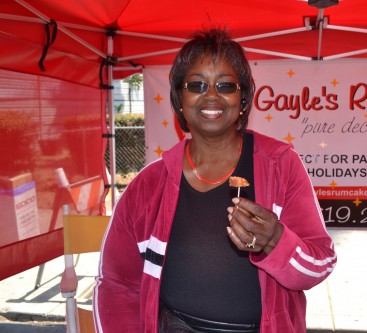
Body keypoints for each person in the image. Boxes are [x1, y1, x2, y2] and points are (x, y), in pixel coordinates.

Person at [93, 27, 337, 333]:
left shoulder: (281, 165)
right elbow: (116, 285)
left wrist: (275, 240)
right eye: (196, 84)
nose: (211, 95)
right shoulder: (148, 183)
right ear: (179, 99)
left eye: (225, 85)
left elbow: (319, 265)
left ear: (243, 99)